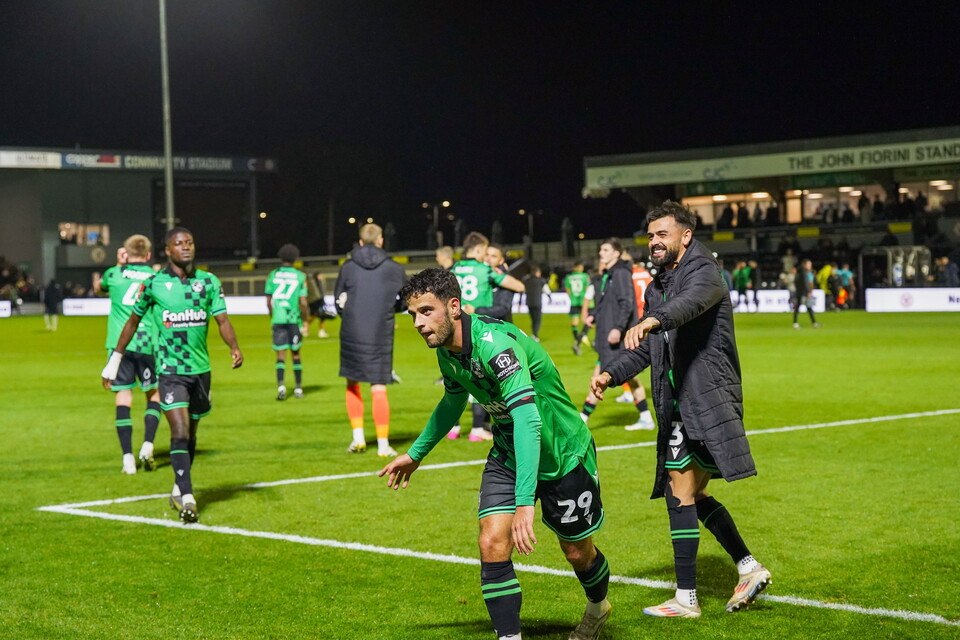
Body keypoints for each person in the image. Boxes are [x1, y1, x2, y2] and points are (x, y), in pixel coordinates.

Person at [381, 268, 612, 640]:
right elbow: (452, 402)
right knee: (491, 541)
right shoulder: (447, 351)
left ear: (453, 307)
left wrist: (525, 504)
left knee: (576, 553)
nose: (418, 323)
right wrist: (416, 454)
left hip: (561, 452)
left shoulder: (496, 345)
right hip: (508, 449)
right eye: (413, 315)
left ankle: (598, 608)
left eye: (426, 311)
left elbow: (529, 421)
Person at [590, 200, 771, 619]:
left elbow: (689, 305)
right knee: (690, 491)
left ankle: (688, 597)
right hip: (679, 404)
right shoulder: (659, 285)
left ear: (685, 236)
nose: (654, 241)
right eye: (650, 235)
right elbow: (648, 348)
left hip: (707, 400)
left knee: (680, 487)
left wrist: (654, 320)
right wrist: (611, 375)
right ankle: (747, 566)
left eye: (662, 234)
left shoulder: (705, 271)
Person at [101, 227, 243, 523]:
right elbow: (132, 321)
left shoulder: (208, 281)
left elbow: (223, 319)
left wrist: (234, 347)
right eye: (179, 243)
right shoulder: (154, 284)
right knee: (178, 431)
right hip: (170, 372)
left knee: (191, 433)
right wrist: (114, 359)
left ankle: (179, 485)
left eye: (189, 242)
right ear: (167, 250)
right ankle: (187, 497)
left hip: (200, 371)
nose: (186, 247)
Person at [335, 223, 407, 457]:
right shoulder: (394, 269)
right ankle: (383, 445)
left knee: (352, 383)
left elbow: (338, 300)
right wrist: (390, 308)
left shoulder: (347, 267)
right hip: (380, 330)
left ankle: (358, 439)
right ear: (381, 240)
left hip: (352, 329)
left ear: (360, 240)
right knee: (378, 386)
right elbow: (406, 301)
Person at [94, 237, 161, 474]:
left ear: (126, 252)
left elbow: (98, 288)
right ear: (149, 254)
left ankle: (127, 459)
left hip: (119, 345)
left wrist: (118, 264)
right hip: (147, 342)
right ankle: (148, 445)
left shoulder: (114, 273)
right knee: (154, 393)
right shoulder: (156, 276)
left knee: (123, 396)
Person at [580, 239, 654, 431]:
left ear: (616, 253)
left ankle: (582, 418)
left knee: (602, 375)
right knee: (627, 375)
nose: (601, 253)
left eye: (605, 250)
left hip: (615, 336)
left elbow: (627, 302)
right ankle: (646, 417)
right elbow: (606, 303)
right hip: (607, 334)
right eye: (601, 249)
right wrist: (593, 316)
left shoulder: (620, 273)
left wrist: (618, 328)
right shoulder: (610, 274)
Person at [265, 244, 309, 400]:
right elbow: (302, 302)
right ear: (295, 258)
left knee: (280, 354)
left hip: (278, 318)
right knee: (295, 354)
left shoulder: (272, 275)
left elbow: (268, 301)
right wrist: (305, 321)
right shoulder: (300, 276)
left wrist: (273, 316)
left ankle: (281, 387)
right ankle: (298, 389)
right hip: (293, 319)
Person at [563, 261, 590, 355]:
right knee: (588, 321)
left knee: (574, 323)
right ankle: (578, 341)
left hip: (574, 301)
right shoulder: (585, 276)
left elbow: (567, 289)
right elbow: (588, 288)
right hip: (583, 301)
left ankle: (576, 340)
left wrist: (572, 297)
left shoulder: (568, 277)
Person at [522, 265, 549, 342]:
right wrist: (550, 296)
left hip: (529, 302)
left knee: (533, 319)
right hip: (537, 302)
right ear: (537, 273)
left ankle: (534, 334)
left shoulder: (526, 280)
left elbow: (522, 290)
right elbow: (546, 290)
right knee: (537, 319)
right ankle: (535, 334)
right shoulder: (541, 280)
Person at [793, 259, 821, 329]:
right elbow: (805, 283)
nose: (810, 266)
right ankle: (796, 323)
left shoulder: (799, 271)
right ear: (805, 265)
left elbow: (796, 282)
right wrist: (808, 292)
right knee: (805, 307)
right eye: (809, 264)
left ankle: (813, 322)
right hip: (803, 293)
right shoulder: (804, 272)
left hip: (800, 292)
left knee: (806, 307)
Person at [306, 272, 332, 338]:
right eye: (320, 275)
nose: (321, 277)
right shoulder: (313, 283)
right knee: (313, 316)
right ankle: (305, 328)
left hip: (319, 301)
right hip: (315, 301)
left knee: (322, 317)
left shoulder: (320, 283)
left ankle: (321, 331)